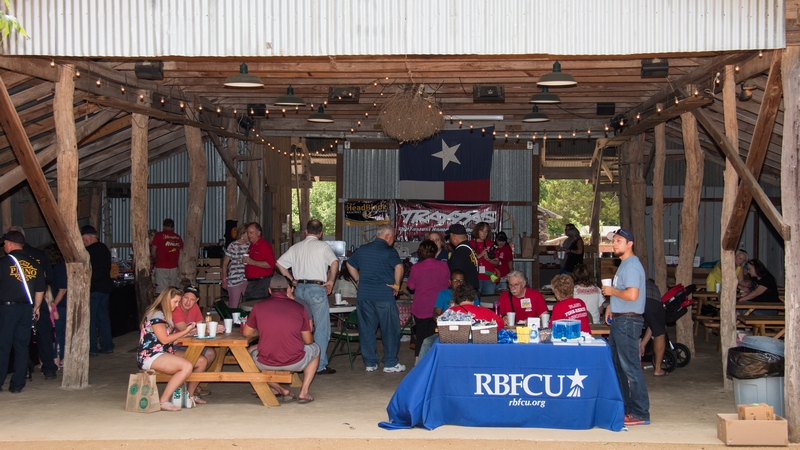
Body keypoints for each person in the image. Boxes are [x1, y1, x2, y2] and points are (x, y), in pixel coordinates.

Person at [276, 219, 339, 375]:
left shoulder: (296, 247)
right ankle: (319, 364)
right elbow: (335, 263)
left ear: (306, 231)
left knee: (300, 326)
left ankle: (298, 361)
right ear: (321, 233)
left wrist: (291, 280)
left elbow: (279, 264)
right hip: (316, 288)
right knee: (321, 327)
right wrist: (331, 280)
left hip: (299, 290)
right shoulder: (323, 246)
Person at [243, 276, 319, 403]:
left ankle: (281, 389)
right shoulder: (300, 308)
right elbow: (308, 341)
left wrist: (261, 331)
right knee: (316, 348)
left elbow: (247, 333)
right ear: (288, 289)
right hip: (295, 361)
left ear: (269, 290)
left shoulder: (259, 306)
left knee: (247, 357)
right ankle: (304, 392)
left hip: (266, 361)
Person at [601, 228, 650, 426]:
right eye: (614, 241)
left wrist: (612, 291)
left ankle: (640, 412)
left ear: (630, 243)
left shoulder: (631, 266)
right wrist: (611, 306)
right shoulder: (623, 265)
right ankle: (628, 408)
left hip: (629, 321)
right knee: (619, 366)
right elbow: (623, 293)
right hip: (621, 319)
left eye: (619, 241)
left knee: (630, 367)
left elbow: (632, 295)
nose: (614, 244)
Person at [346, 224, 405, 373]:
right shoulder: (389, 251)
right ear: (388, 236)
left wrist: (358, 280)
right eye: (393, 237)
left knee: (366, 330)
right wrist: (397, 286)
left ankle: (370, 363)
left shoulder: (363, 250)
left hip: (364, 295)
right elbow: (399, 267)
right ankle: (390, 363)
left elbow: (349, 263)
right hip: (384, 295)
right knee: (390, 330)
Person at [137, 287, 208, 411]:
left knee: (201, 360)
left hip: (164, 351)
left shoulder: (166, 313)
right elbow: (164, 339)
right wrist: (185, 331)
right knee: (186, 366)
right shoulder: (157, 314)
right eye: (175, 302)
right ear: (166, 299)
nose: (176, 305)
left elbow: (168, 339)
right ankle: (163, 401)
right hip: (151, 355)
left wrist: (183, 335)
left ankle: (189, 396)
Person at [0, 230, 46, 393]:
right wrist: (37, 307)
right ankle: (17, 384)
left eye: (4, 242)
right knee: (21, 346)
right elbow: (40, 289)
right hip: (26, 308)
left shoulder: (4, 263)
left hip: (7, 308)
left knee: (3, 346)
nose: (3, 245)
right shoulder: (35, 263)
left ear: (11, 244)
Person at [9, 226, 57, 379]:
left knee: (19, 337)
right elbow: (49, 278)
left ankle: (25, 368)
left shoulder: (9, 259)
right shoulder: (39, 255)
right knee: (43, 334)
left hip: (16, 301)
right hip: (38, 299)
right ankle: (49, 368)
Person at [172, 285, 223, 395]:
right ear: (181, 297)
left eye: (192, 300)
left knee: (210, 353)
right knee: (201, 360)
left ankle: (192, 386)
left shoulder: (194, 307)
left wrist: (213, 326)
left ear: (197, 300)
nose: (188, 302)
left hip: (191, 343)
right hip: (175, 345)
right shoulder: (176, 308)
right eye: (186, 298)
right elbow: (184, 329)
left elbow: (201, 323)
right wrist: (208, 327)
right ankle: (189, 393)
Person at [406, 240, 450, 362]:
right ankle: (434, 362)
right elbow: (448, 283)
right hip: (439, 307)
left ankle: (417, 362)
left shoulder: (416, 268)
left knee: (421, 336)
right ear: (435, 252)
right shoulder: (443, 266)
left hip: (421, 307)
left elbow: (411, 286)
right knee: (436, 336)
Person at [81, 225, 115, 356]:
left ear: (89, 237)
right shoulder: (104, 249)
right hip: (105, 288)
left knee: (91, 319)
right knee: (103, 317)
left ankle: (92, 348)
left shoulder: (88, 252)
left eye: (84, 239)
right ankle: (107, 345)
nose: (84, 242)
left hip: (93, 288)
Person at [45, 243, 68, 369]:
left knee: (58, 333)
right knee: (61, 332)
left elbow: (62, 289)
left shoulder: (59, 268)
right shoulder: (62, 267)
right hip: (63, 305)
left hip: (61, 305)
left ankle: (59, 359)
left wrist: (53, 305)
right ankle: (61, 358)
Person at [242, 222, 276, 300]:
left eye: (251, 233)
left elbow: (271, 264)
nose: (249, 235)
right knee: (246, 303)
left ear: (258, 233)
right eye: (248, 233)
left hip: (261, 282)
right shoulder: (251, 245)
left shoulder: (264, 245)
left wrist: (251, 262)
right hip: (251, 282)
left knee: (256, 305)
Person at [641, 279, 668, 377]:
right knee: (659, 333)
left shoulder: (637, 280)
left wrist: (643, 344)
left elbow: (651, 326)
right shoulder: (653, 287)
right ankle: (658, 369)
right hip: (652, 301)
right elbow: (656, 327)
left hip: (634, 301)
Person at [150, 218, 184, 294]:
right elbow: (182, 252)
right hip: (174, 267)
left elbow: (153, 250)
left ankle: (163, 305)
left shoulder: (158, 236)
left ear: (163, 226)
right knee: (173, 291)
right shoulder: (178, 237)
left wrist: (156, 259)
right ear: (173, 228)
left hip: (161, 266)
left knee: (162, 292)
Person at [221, 224, 250, 308]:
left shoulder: (250, 245)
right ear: (242, 234)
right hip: (234, 280)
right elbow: (225, 263)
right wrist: (224, 280)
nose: (249, 235)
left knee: (248, 303)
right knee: (233, 305)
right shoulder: (233, 245)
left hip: (247, 279)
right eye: (247, 233)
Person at [445, 224, 479, 291]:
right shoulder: (469, 248)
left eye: (450, 236)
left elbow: (456, 274)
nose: (450, 239)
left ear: (453, 236)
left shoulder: (460, 252)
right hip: (471, 289)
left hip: (464, 292)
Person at [470, 222, 500, 295]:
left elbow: (497, 262)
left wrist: (489, 260)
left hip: (489, 277)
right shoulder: (470, 244)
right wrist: (479, 255)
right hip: (475, 278)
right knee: (475, 300)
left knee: (489, 300)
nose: (484, 234)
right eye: (482, 231)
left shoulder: (491, 244)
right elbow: (467, 261)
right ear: (477, 231)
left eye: (486, 231)